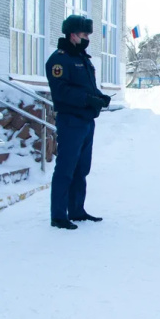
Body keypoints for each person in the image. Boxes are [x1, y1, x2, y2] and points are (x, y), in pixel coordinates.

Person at [46, 14, 111, 230]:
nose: (86, 38)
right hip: (70, 121)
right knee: (66, 168)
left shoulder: (83, 58)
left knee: (81, 168)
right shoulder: (59, 60)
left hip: (86, 121)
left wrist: (99, 97)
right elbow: (61, 90)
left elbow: (87, 88)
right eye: (84, 34)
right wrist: (87, 99)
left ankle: (76, 210)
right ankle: (58, 215)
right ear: (72, 35)